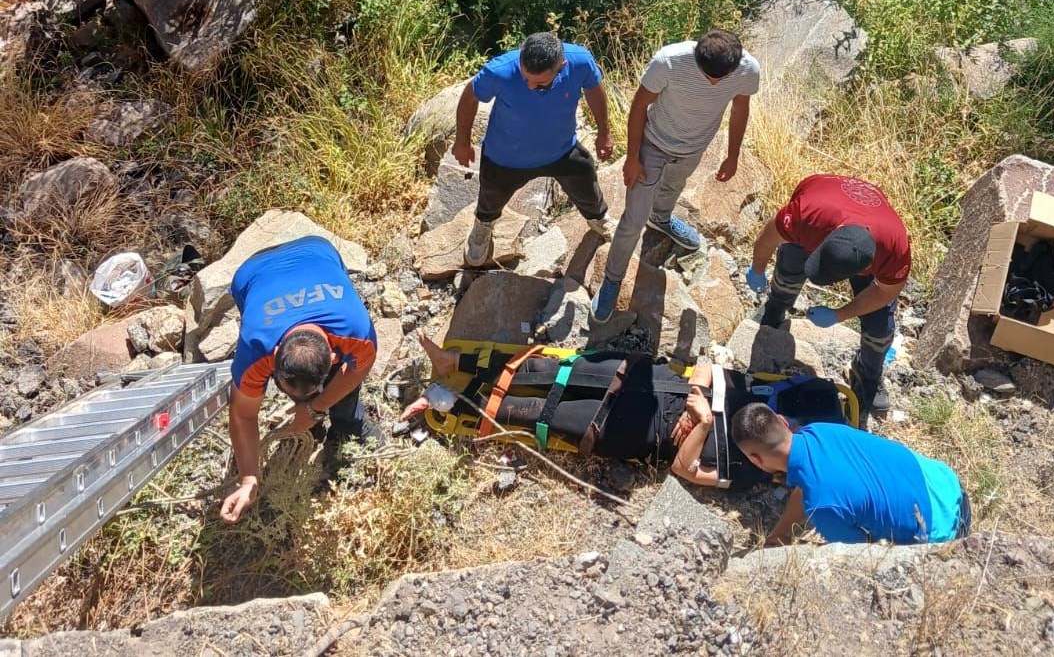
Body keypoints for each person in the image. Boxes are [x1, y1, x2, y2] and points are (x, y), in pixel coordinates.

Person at [406, 334, 846, 489]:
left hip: (636, 433)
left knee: (539, 413)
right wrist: (697, 394)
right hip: (651, 385)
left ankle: (451, 400)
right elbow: (711, 368)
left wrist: (703, 424)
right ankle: (456, 365)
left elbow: (686, 469)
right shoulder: (759, 412)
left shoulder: (749, 472)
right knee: (554, 371)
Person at [591, 29, 760, 323]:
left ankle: (663, 219)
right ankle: (612, 279)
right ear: (697, 57)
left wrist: (733, 155)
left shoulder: (747, 70)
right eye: (708, 76)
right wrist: (632, 158)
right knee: (633, 220)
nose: (714, 83)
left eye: (721, 79)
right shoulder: (669, 61)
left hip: (695, 146)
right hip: (653, 143)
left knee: (673, 188)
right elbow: (639, 105)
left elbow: (740, 109)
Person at [220, 236, 381, 524]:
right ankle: (311, 428)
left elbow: (356, 371)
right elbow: (243, 415)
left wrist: (316, 406)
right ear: (275, 353)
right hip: (250, 273)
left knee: (331, 392)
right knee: (301, 383)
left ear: (334, 357)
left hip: (317, 252)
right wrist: (248, 479)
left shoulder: (355, 330)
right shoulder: (255, 348)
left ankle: (347, 424)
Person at [744, 174, 911, 426]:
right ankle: (776, 307)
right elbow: (769, 236)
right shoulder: (807, 216)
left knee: (880, 329)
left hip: (872, 232)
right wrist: (757, 269)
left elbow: (885, 293)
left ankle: (867, 374)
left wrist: (839, 314)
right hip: (822, 203)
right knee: (789, 268)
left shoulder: (894, 249)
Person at [453, 32, 616, 267]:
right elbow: (470, 95)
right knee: (490, 197)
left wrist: (604, 132)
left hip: (560, 150)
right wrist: (462, 141)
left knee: (585, 178)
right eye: (525, 76)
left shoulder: (580, 61)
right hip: (506, 157)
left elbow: (594, 88)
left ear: (562, 65)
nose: (529, 85)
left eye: (539, 83)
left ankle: (598, 218)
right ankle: (483, 226)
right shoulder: (500, 70)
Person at [731, 403, 970, 546]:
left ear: (756, 459)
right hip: (947, 484)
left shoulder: (823, 506)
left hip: (944, 531)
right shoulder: (819, 431)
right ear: (783, 422)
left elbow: (861, 557)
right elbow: (804, 488)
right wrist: (780, 534)